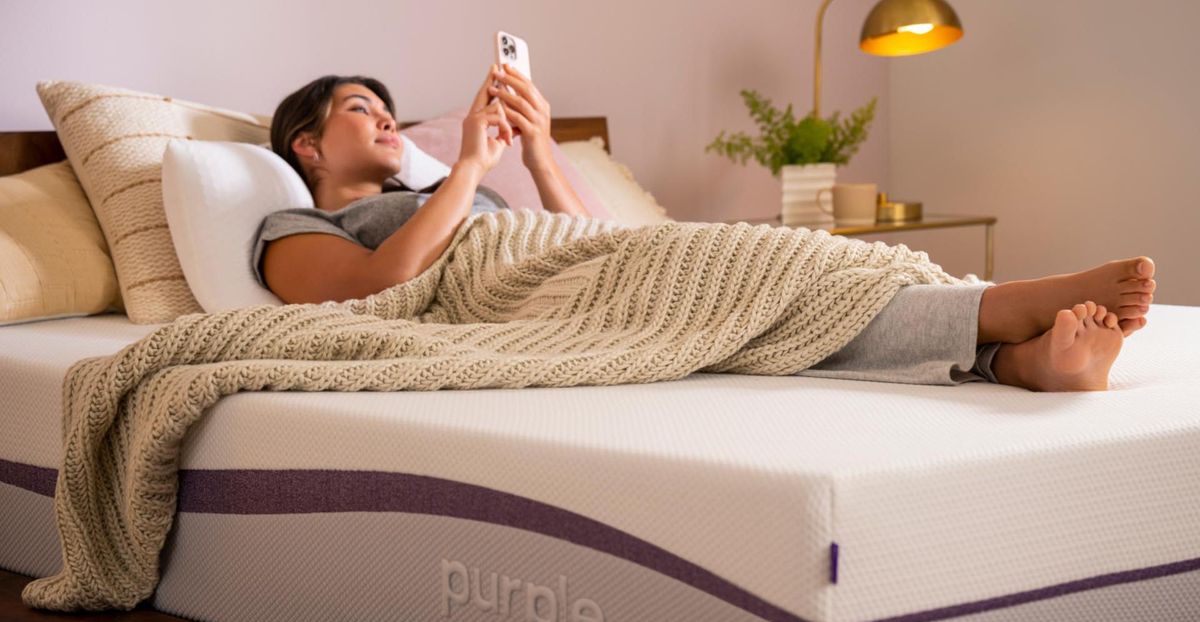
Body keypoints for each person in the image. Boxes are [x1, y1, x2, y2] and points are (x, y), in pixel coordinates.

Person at [253, 64, 1158, 393]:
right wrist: (470, 171)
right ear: (307, 142)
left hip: (573, 264)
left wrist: (535, 155)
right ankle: (997, 318)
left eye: (386, 110)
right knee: (759, 267)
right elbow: (375, 291)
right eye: (362, 109)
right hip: (497, 290)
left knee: (782, 273)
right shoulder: (291, 223)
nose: (384, 121)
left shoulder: (474, 187)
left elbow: (586, 240)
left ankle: (1016, 357)